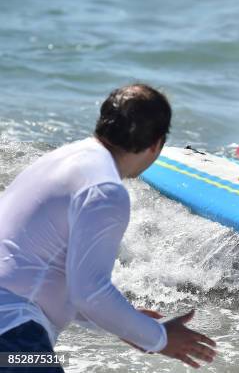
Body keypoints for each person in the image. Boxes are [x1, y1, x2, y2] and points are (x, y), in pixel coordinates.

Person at [0, 84, 216, 371]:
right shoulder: (104, 189)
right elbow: (89, 292)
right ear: (156, 144)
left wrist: (129, 323)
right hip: (13, 333)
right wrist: (160, 339)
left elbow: (45, 272)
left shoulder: (63, 159)